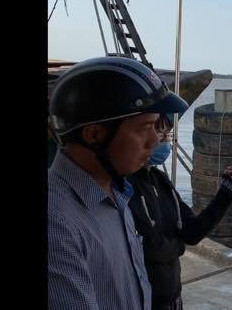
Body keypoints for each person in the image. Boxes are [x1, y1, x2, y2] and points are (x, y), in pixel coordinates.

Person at [48, 56, 188, 309]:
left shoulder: (117, 193)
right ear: (94, 135)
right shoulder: (57, 224)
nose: (155, 140)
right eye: (145, 127)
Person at [127, 118, 232, 310]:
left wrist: (226, 192)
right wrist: (178, 246)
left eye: (167, 134)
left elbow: (192, 232)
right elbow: (147, 247)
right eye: (159, 133)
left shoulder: (160, 180)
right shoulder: (125, 187)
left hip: (173, 300)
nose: (164, 140)